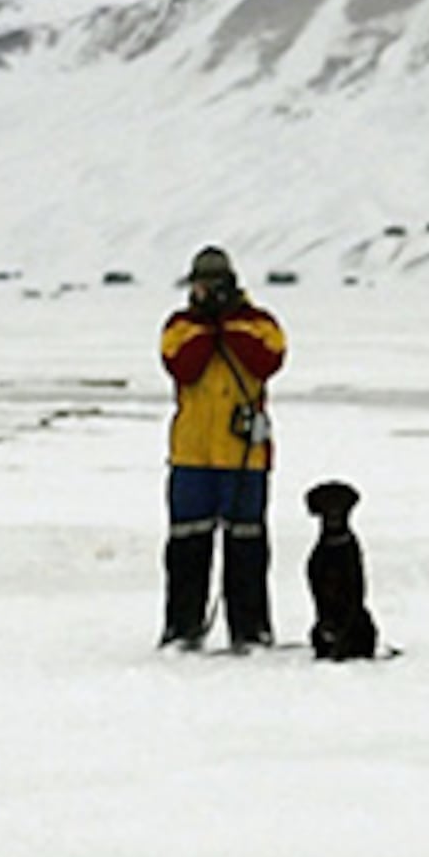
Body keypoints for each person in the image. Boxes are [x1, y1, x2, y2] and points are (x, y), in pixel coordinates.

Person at [161, 246, 287, 649]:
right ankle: (182, 627)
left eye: (211, 286)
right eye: (199, 286)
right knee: (187, 545)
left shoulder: (259, 323)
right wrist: (208, 324)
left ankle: (250, 630)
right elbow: (184, 366)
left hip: (243, 455)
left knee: (247, 546)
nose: (203, 292)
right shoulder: (180, 326)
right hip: (192, 456)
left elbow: (266, 361)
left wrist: (229, 322)